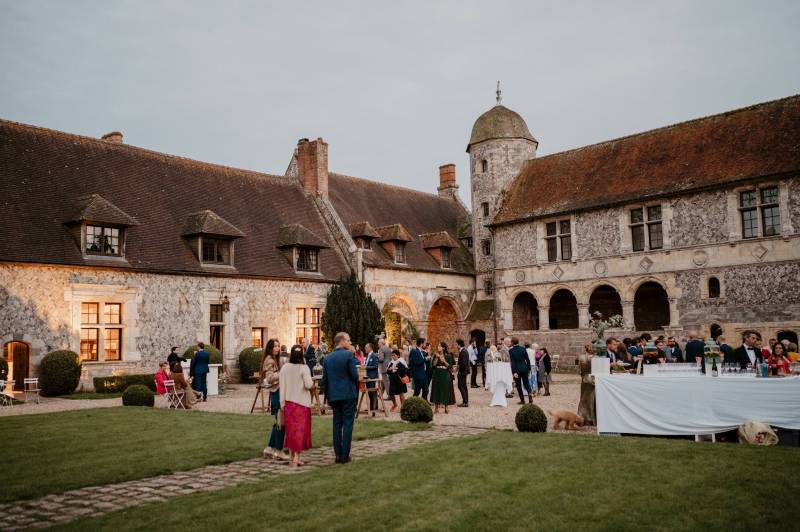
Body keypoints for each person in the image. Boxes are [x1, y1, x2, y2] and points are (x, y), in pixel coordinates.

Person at [322, 332, 359, 464]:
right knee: (348, 424)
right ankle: (345, 455)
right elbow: (354, 375)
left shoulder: (327, 358)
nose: (350, 343)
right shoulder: (348, 355)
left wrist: (327, 397)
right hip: (348, 394)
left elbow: (325, 380)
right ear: (342, 341)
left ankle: (338, 454)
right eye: (348, 340)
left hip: (334, 396)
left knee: (337, 424)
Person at [280, 345, 314, 468]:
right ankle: (296, 458)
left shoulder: (285, 368)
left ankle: (290, 457)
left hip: (289, 403)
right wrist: (313, 384)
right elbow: (309, 385)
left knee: (290, 432)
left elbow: (282, 386)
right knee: (300, 432)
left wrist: (282, 403)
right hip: (302, 404)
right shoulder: (304, 368)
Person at [263, 339, 288, 461]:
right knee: (281, 422)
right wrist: (283, 372)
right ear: (270, 348)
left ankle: (269, 448)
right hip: (277, 393)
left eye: (278, 346)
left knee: (279, 421)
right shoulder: (270, 360)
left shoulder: (275, 360)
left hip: (278, 392)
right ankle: (278, 450)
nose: (277, 348)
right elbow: (269, 378)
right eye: (275, 346)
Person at [430, 342, 455, 414]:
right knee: (436, 390)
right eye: (438, 346)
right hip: (437, 374)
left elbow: (450, 366)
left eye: (440, 346)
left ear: (443, 348)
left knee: (445, 390)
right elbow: (433, 366)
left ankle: (446, 408)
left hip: (445, 374)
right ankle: (436, 408)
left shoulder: (448, 356)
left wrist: (444, 360)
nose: (438, 347)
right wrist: (437, 358)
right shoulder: (435, 355)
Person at [509, 337, 533, 405]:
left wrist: (514, 372)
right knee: (526, 383)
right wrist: (529, 369)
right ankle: (529, 393)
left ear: (512, 342)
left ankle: (522, 400)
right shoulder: (523, 349)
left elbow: (513, 362)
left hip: (517, 370)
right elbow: (527, 360)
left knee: (518, 385)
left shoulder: (511, 351)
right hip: (524, 368)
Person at [577, 344, 596, 426]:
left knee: (583, 399)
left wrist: (583, 375)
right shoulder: (595, 358)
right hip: (593, 378)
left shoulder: (581, 357)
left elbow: (580, 370)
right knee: (591, 399)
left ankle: (581, 417)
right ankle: (591, 418)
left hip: (585, 378)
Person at [364, 343, 380, 414]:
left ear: (370, 348)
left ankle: (374, 408)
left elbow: (376, 366)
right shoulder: (367, 355)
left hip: (372, 377)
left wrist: (366, 367)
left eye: (366, 347)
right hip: (367, 377)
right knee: (369, 392)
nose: (365, 348)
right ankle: (371, 407)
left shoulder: (374, 355)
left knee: (373, 392)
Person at [456, 339, 470, 407]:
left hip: (462, 372)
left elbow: (464, 364)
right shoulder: (464, 350)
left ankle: (465, 402)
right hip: (464, 372)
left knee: (461, 386)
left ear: (459, 345)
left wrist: (459, 369)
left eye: (457, 344)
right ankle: (465, 401)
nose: (456, 346)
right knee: (463, 386)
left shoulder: (463, 352)